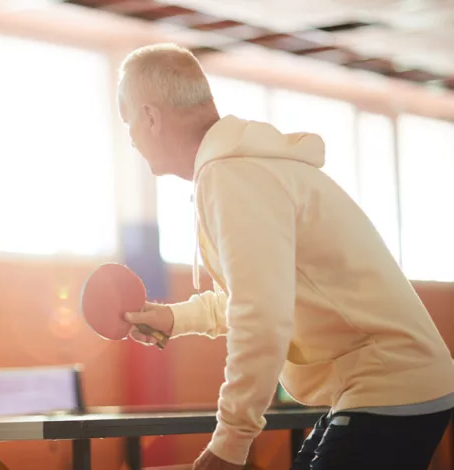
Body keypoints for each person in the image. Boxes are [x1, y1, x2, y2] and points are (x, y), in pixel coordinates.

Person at [116, 43, 454, 470]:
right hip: (384, 382)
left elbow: (261, 313)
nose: (129, 136)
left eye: (128, 120)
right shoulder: (241, 170)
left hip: (389, 382)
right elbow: (264, 292)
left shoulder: (232, 177)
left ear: (150, 117)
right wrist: (174, 319)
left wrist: (230, 442)